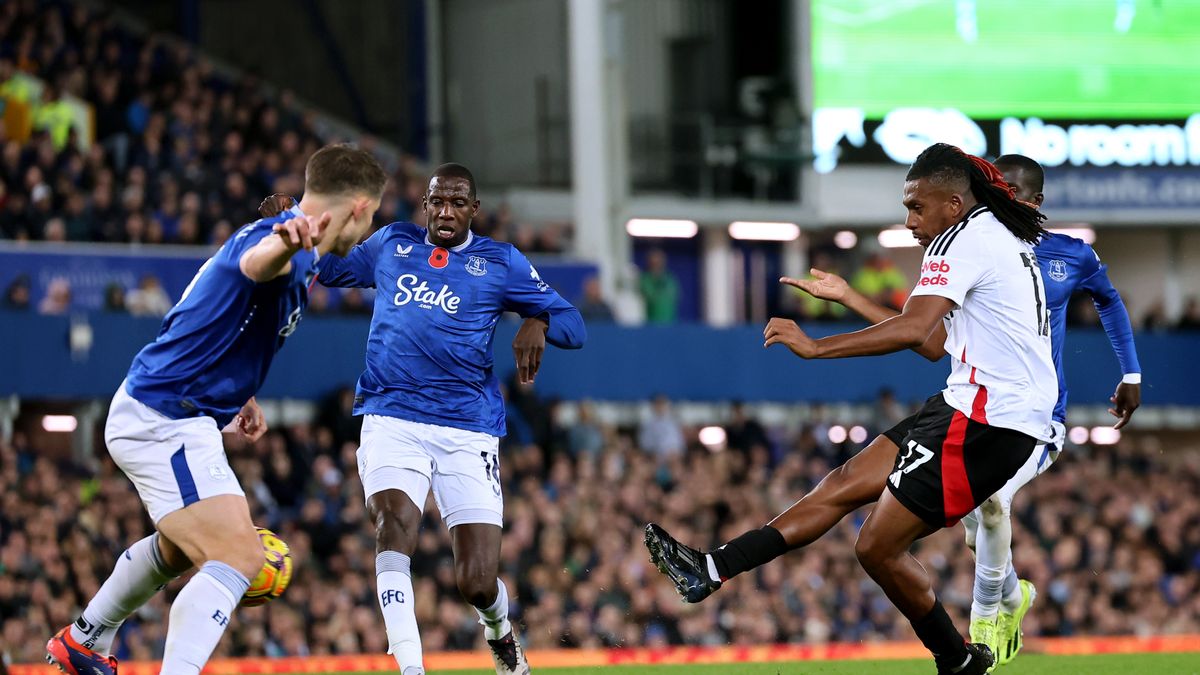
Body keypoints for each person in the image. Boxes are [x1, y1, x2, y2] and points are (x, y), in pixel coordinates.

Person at [648, 143, 1058, 675]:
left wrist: (818, 347)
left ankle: (956, 661)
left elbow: (913, 329)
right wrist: (848, 297)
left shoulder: (962, 243)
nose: (909, 219)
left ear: (953, 204)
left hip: (988, 423)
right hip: (968, 402)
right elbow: (933, 343)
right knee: (842, 482)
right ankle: (712, 568)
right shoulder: (984, 235)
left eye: (917, 206)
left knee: (875, 549)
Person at [45, 143, 387, 675]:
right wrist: (283, 246)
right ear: (362, 206)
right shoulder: (284, 244)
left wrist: (238, 391)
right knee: (239, 556)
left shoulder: (297, 247)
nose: (366, 234)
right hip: (166, 417)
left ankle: (85, 640)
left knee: (181, 548)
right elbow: (258, 265)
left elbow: (219, 305)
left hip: (177, 411)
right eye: (372, 219)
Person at [277, 163, 585, 675]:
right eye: (437, 201)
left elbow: (575, 327)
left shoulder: (501, 262)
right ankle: (411, 668)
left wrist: (538, 316)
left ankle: (500, 634)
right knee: (394, 525)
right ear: (425, 203)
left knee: (478, 583)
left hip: (468, 428)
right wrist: (288, 225)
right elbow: (329, 270)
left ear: (474, 209)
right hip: (391, 415)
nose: (446, 212)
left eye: (457, 202)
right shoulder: (392, 243)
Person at [639, 249, 680, 323]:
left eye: (659, 261)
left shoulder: (669, 278)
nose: (656, 264)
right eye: (654, 262)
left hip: (670, 320)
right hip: (651, 321)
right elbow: (650, 296)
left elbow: (674, 294)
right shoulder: (645, 279)